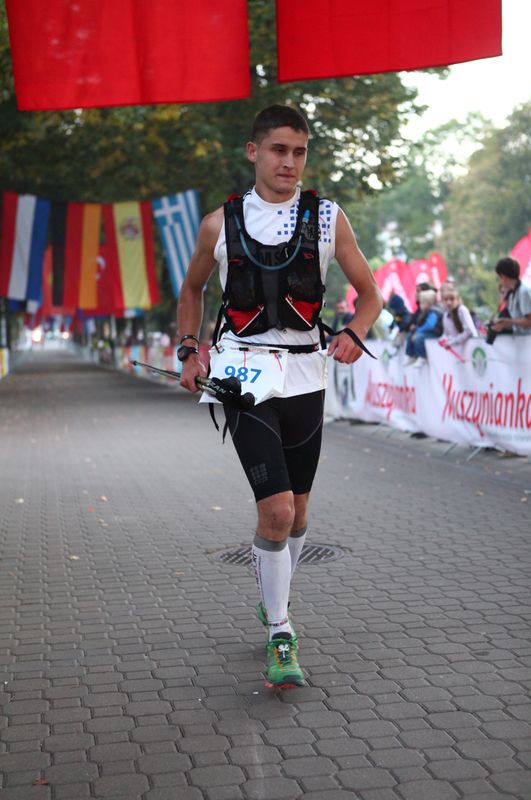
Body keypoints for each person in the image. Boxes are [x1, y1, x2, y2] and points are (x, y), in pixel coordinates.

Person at [176, 104, 382, 689]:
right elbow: (191, 290)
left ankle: (274, 599)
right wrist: (189, 349)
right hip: (243, 377)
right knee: (278, 510)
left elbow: (370, 295)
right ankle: (281, 630)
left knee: (300, 513)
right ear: (254, 151)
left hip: (307, 376)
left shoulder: (328, 218)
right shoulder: (218, 224)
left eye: (299, 152)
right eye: (278, 150)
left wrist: (354, 332)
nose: (289, 162)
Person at [489, 257, 531, 336]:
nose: (499, 281)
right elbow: (518, 323)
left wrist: (509, 322)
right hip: (521, 340)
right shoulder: (512, 293)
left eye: (499, 277)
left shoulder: (524, 292)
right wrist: (503, 324)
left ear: (504, 277)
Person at [404, 288, 443, 367]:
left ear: (429, 303)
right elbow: (421, 324)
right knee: (410, 335)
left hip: (434, 333)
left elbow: (429, 326)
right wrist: (415, 329)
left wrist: (417, 332)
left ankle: (422, 356)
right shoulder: (425, 312)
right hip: (426, 332)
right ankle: (411, 355)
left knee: (419, 337)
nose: (420, 305)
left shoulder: (434, 312)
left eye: (422, 303)